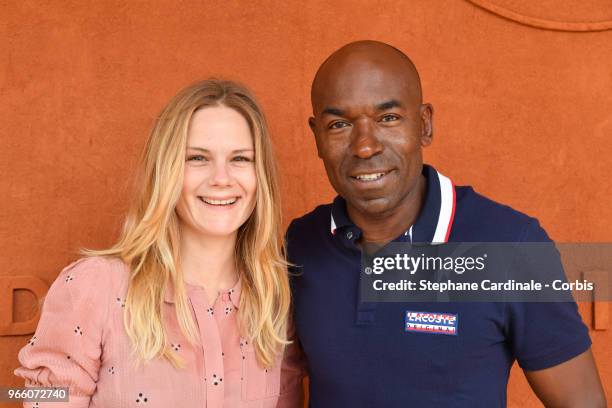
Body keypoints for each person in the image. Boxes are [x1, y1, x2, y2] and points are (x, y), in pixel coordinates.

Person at [286, 41, 606, 407]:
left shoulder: (512, 246)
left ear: (424, 125)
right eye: (339, 124)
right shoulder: (299, 245)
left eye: (388, 118)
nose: (364, 147)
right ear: (317, 137)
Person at [15, 79, 304, 407]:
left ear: (260, 175)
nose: (221, 178)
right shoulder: (94, 286)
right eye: (197, 158)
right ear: (165, 169)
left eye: (240, 158)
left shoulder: (277, 300)